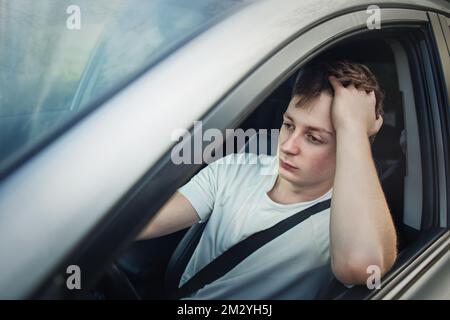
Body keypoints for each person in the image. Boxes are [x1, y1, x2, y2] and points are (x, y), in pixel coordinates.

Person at [137, 61, 398, 299]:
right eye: (288, 125)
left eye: (314, 138)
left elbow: (361, 264)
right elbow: (143, 222)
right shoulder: (235, 169)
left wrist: (353, 127)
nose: (288, 146)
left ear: (350, 146)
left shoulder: (346, 222)